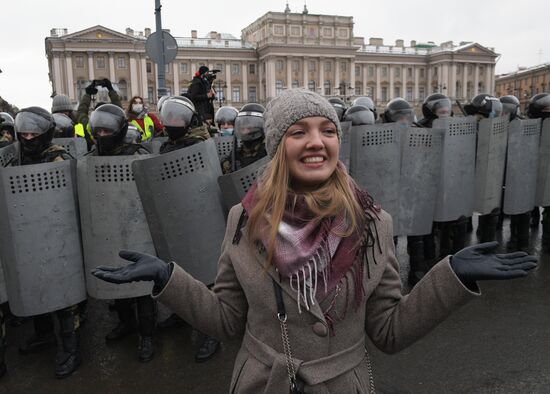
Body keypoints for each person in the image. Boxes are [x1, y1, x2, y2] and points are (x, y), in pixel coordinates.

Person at [93, 88, 537, 393]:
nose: (316, 143)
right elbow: (228, 321)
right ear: (276, 145)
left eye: (327, 131)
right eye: (298, 131)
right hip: (263, 384)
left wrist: (449, 279)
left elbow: (389, 331)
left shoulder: (371, 222)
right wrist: (169, 280)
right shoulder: (244, 218)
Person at [10, 107, 81, 378]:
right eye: (23, 133)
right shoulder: (14, 159)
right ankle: (44, 335)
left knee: (64, 297)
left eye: (33, 133)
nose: (28, 138)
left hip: (57, 234)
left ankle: (71, 349)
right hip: (26, 234)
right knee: (34, 285)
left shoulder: (58, 158)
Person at [88, 104, 156, 362]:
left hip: (138, 226)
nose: (103, 135)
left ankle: (148, 335)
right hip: (108, 227)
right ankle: (127, 324)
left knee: (142, 284)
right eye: (99, 130)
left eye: (108, 130)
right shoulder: (91, 158)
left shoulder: (138, 154)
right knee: (116, 277)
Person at [464, 94, 504, 243]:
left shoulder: (499, 129)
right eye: (480, 116)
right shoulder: (466, 128)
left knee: (490, 208)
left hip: (490, 174)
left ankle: (487, 243)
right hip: (468, 173)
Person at [526, 93, 550, 250]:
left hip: (534, 167)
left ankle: (535, 222)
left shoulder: (530, 125)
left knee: (531, 196)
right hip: (538, 166)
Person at [221, 103, 267, 174]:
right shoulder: (235, 154)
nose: (245, 132)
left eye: (249, 128)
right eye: (243, 128)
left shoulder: (267, 153)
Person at [76, 78, 122, 150]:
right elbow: (119, 111)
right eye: (99, 131)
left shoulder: (90, 127)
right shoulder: (114, 125)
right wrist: (111, 89)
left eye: (106, 131)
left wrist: (88, 94)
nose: (102, 134)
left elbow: (81, 112)